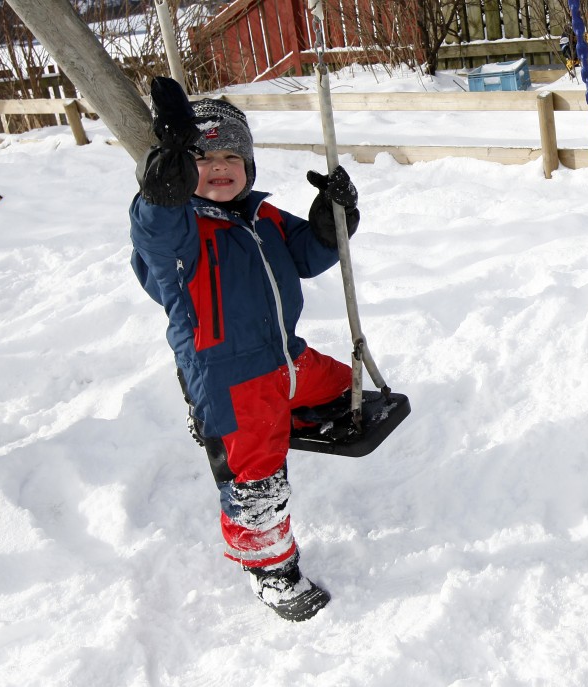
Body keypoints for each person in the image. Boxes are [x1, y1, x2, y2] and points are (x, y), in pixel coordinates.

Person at [129, 77, 361, 621]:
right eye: (203, 158)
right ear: (185, 172)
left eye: (232, 154)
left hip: (287, 359)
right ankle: (271, 568)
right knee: (256, 474)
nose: (219, 165)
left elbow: (311, 254)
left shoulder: (263, 216)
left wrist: (334, 220)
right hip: (232, 378)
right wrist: (161, 192)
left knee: (346, 388)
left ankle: (291, 411)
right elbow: (155, 235)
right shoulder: (182, 233)